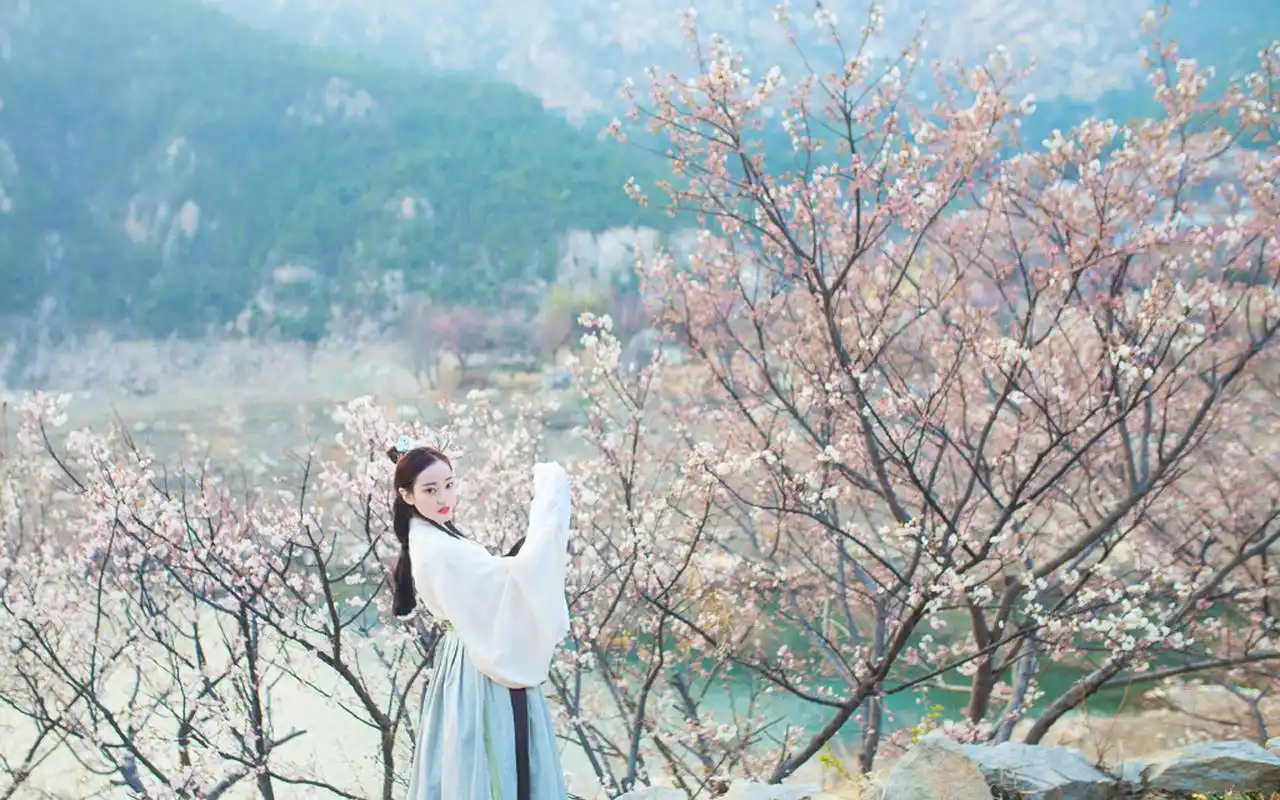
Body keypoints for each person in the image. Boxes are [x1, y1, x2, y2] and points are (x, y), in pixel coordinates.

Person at [387, 439, 572, 800]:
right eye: (430, 490)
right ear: (407, 496)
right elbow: (506, 586)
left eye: (449, 485)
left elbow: (491, 579)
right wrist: (549, 513)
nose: (444, 498)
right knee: (493, 755)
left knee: (471, 760)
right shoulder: (438, 548)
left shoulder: (429, 534)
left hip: (465, 654)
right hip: (479, 663)